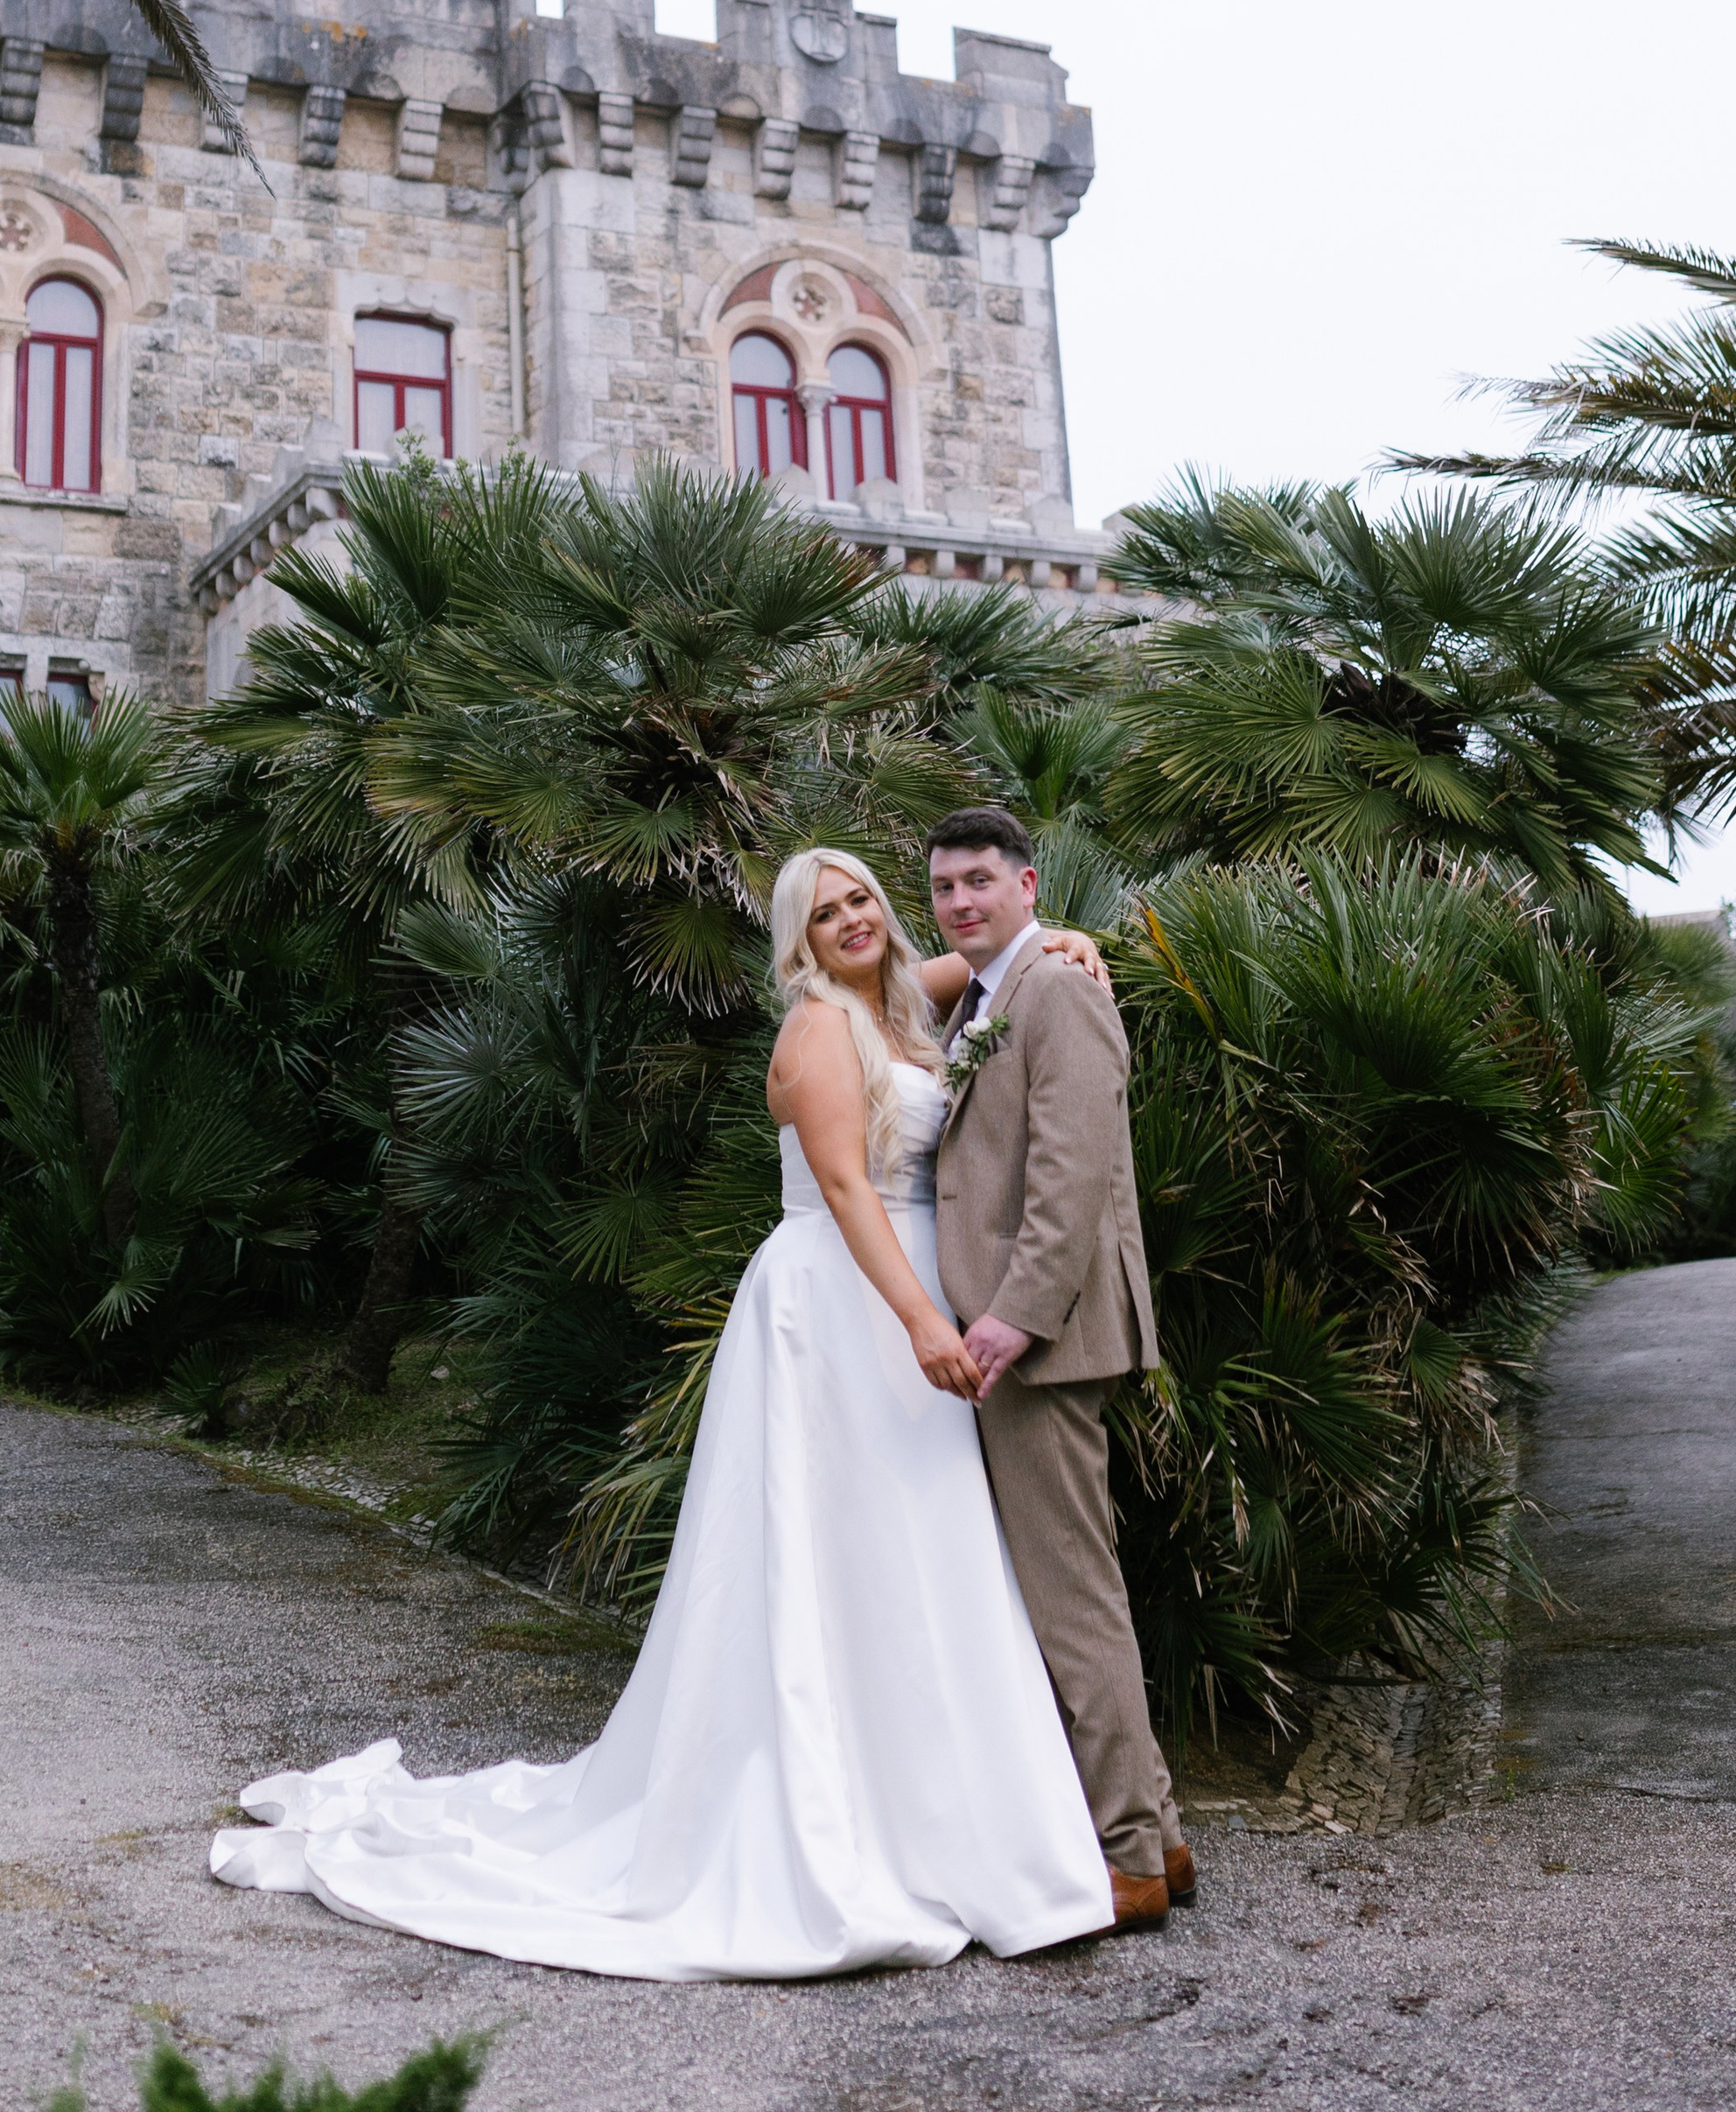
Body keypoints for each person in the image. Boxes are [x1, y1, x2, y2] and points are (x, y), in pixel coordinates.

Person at [211, 851, 1120, 1981]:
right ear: (795, 942)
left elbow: (978, 968)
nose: (849, 921)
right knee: (829, 1558)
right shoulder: (818, 1033)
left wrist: (1062, 943)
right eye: (822, 912)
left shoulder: (896, 1001)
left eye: (860, 903)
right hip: (848, 1306)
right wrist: (922, 1325)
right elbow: (844, 1189)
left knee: (917, 1556)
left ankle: (945, 1808)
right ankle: (841, 1818)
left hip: (913, 1294)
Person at [926, 802, 1191, 1932]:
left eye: (981, 881)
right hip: (1017, 1340)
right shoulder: (995, 993)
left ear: (1029, 884)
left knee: (1074, 1602)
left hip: (1044, 1343)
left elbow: (1072, 1177)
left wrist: (1013, 1320)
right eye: (943, 887)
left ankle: (1127, 1854)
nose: (962, 902)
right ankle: (1162, 1835)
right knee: (1076, 1593)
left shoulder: (1060, 991)